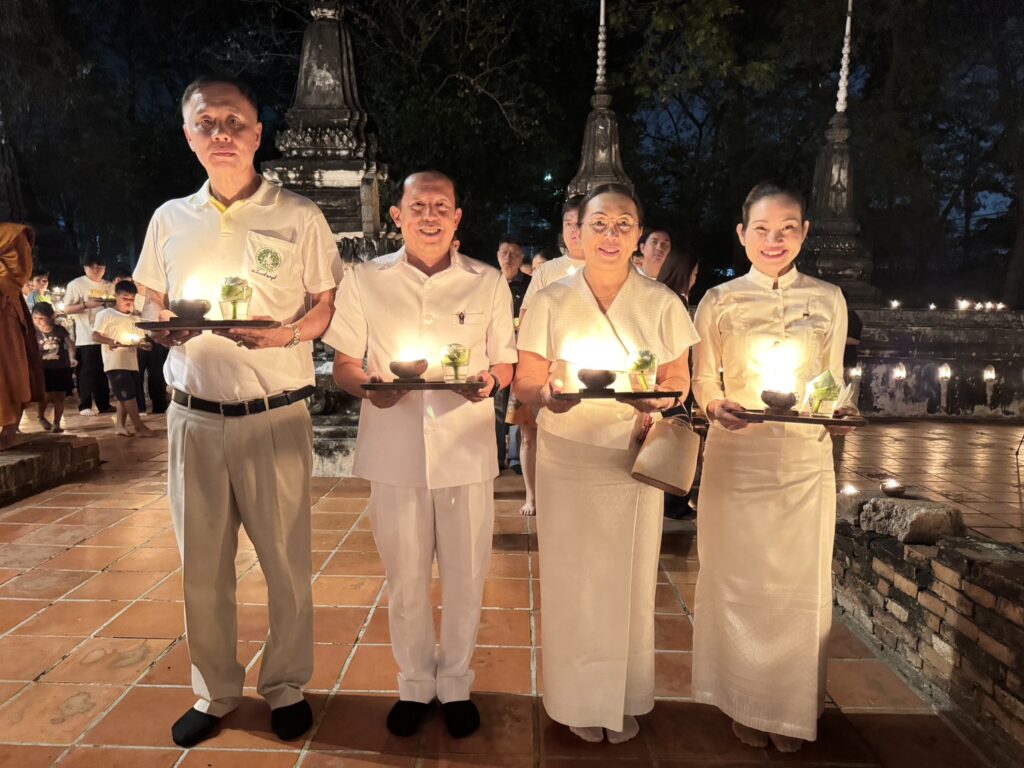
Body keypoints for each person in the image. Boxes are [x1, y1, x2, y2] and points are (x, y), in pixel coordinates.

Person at [133, 74, 338, 747]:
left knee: (285, 563)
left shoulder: (298, 215)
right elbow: (151, 301)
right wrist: (160, 328)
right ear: (188, 136)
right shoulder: (169, 218)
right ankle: (214, 689)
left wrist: (288, 334)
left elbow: (324, 305)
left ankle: (286, 684)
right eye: (206, 123)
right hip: (193, 416)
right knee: (201, 565)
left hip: (273, 414)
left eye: (233, 121)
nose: (220, 133)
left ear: (257, 133)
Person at [328, 171, 516, 740]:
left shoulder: (486, 281)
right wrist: (371, 390)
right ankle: (414, 683)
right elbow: (344, 364)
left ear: (457, 217)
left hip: (465, 447)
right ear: (397, 216)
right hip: (394, 448)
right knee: (405, 578)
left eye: (441, 206)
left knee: (466, 576)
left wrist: (489, 382)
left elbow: (504, 361)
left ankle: (455, 682)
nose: (429, 216)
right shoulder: (365, 279)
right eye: (418, 206)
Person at [514, 183, 699, 745]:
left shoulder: (660, 302)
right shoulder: (550, 299)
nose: (610, 235)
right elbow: (526, 380)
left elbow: (678, 380)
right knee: (573, 579)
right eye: (599, 224)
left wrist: (658, 402)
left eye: (623, 224)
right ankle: (575, 697)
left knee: (629, 580)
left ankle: (621, 696)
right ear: (579, 231)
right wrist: (548, 398)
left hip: (631, 458)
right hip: (567, 456)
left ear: (639, 235)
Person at [690, 181, 856, 753]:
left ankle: (788, 708)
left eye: (787, 228)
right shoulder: (719, 300)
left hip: (804, 464)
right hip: (738, 458)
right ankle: (742, 699)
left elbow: (832, 382)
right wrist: (714, 406)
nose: (774, 239)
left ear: (804, 232)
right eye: (761, 229)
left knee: (796, 586)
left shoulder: (829, 298)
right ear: (742, 235)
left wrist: (839, 412)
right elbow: (703, 380)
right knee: (737, 579)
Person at [510, 196, 586, 516]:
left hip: (586, 369)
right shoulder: (548, 272)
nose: (574, 231)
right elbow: (527, 315)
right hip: (544, 366)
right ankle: (533, 495)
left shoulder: (609, 270)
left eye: (580, 224)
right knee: (532, 435)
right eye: (568, 224)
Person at [92, 281, 158, 438]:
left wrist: (145, 345)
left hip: (131, 362)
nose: (128, 302)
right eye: (125, 298)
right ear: (116, 296)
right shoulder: (106, 314)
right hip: (115, 362)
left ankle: (120, 426)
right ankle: (139, 426)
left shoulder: (135, 317)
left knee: (125, 395)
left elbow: (140, 340)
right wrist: (110, 341)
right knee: (128, 395)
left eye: (132, 299)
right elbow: (95, 335)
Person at [1, 223, 45, 449]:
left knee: (8, 369)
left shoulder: (10, 235)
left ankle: (9, 428)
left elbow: (20, 272)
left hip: (3, 311)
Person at [495, 239, 530, 468]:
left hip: (523, 352)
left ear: (521, 257)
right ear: (497, 254)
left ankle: (517, 457)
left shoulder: (530, 284)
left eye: (514, 253)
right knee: (497, 406)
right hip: (496, 353)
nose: (508, 258)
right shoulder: (490, 281)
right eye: (504, 252)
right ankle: (497, 457)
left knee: (520, 402)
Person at [64, 254, 113, 415]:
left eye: (100, 266)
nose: (96, 269)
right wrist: (86, 305)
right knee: (86, 372)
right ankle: (84, 405)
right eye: (92, 266)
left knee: (103, 372)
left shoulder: (109, 285)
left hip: (106, 336)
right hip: (86, 336)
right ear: (85, 268)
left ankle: (104, 404)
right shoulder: (76, 284)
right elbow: (67, 309)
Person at [32, 301, 76, 432]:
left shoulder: (59, 330)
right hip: (43, 369)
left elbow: (70, 345)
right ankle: (41, 417)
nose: (38, 321)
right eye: (35, 318)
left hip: (60, 368)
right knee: (44, 396)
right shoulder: (33, 332)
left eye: (41, 318)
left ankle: (57, 423)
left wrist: (72, 358)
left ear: (51, 317)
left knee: (60, 396)